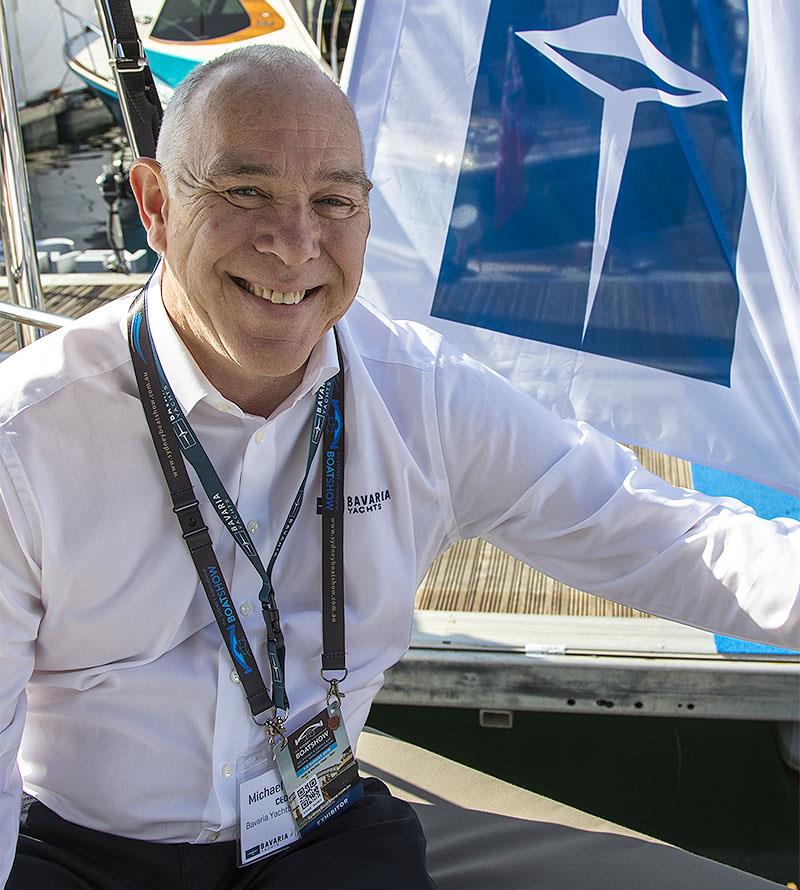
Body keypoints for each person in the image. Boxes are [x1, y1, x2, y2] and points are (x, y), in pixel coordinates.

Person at [0, 45, 797, 889]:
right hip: (85, 854)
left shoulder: (426, 401)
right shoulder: (27, 442)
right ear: (155, 205)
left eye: (333, 201)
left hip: (321, 837)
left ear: (366, 218)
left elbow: (666, 537)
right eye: (245, 192)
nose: (295, 243)